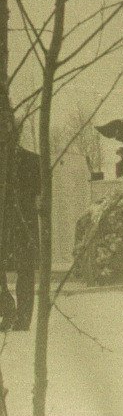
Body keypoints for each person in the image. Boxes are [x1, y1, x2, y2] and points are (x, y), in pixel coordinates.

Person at [1, 133, 39, 332]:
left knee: (25, 270)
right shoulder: (32, 160)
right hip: (11, 224)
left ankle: (21, 318)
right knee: (22, 271)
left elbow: (40, 196)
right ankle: (9, 311)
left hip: (22, 225)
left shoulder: (32, 161)